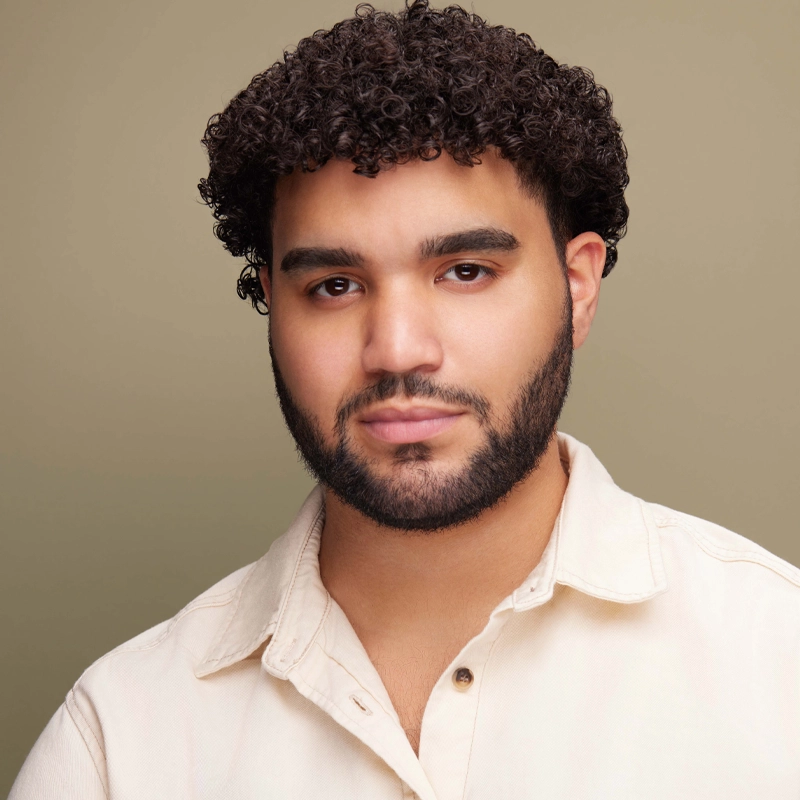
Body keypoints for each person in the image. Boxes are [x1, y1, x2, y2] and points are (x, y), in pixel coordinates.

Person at [10, 1, 800, 797]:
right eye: (335, 285)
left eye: (465, 272)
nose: (396, 349)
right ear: (271, 307)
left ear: (578, 284)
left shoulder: (777, 665)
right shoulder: (121, 740)